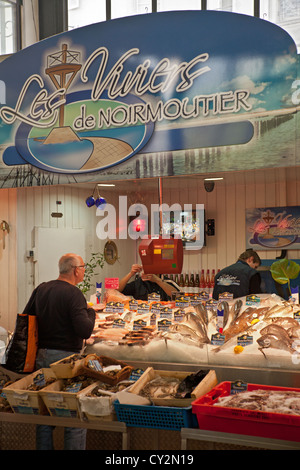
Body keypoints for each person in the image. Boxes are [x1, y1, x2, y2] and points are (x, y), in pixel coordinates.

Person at [27, 253, 96, 450]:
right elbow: (85, 330)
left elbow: (27, 318)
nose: (83, 270)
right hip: (65, 362)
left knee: (44, 413)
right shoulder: (74, 294)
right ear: (76, 270)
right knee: (73, 415)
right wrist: (90, 312)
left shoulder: (41, 289)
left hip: (41, 358)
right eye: (83, 266)